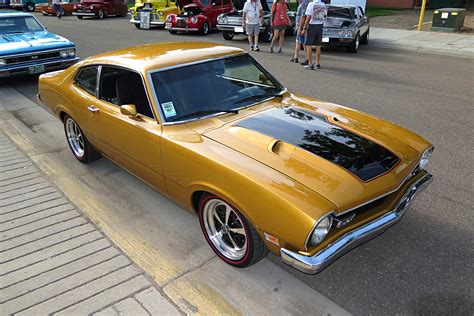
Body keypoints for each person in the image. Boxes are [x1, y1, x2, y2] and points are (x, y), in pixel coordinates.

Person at [301, 0, 327, 69]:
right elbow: (325, 16)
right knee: (318, 46)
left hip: (312, 26)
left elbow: (308, 17)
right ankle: (317, 63)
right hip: (320, 26)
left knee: (308, 45)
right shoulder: (323, 5)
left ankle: (310, 64)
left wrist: (304, 28)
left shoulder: (311, 4)